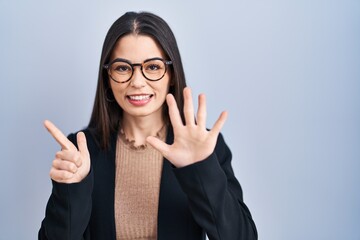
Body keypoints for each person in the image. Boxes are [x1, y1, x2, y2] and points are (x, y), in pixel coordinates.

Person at [38, 11, 257, 240]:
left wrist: (201, 168)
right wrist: (72, 191)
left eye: (153, 67)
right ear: (107, 76)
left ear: (171, 74)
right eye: (122, 68)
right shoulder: (81, 151)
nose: (137, 82)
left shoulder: (203, 144)